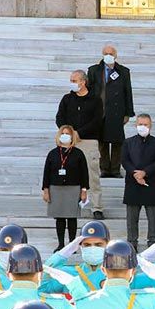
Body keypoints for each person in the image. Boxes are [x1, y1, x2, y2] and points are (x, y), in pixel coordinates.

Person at [55, 70, 104, 219]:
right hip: (68, 142)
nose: (72, 84)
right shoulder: (67, 99)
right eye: (71, 80)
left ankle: (97, 207)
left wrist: (79, 133)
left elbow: (97, 121)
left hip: (88, 141)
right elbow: (59, 117)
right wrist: (68, 132)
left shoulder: (95, 100)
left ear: (83, 82)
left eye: (74, 80)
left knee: (92, 175)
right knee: (67, 174)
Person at [86, 45, 134, 180]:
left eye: (111, 53)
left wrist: (128, 113)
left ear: (116, 55)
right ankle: (105, 168)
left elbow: (128, 92)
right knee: (102, 141)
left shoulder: (123, 71)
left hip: (117, 111)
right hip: (99, 111)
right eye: (106, 53)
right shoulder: (94, 70)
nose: (108, 55)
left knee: (118, 142)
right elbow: (89, 90)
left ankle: (116, 169)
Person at [43, 126, 90, 250]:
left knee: (71, 217)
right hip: (56, 188)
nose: (65, 136)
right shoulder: (53, 153)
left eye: (67, 134)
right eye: (62, 133)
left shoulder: (78, 154)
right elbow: (46, 172)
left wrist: (84, 190)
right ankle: (60, 244)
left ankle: (72, 244)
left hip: (73, 188)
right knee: (59, 217)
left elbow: (84, 173)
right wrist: (46, 190)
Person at [121, 114, 155, 249]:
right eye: (140, 124)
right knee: (132, 217)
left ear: (150, 126)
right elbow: (124, 160)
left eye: (145, 124)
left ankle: (152, 243)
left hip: (150, 182)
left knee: (152, 216)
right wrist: (135, 173)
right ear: (136, 125)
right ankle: (132, 242)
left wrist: (144, 172)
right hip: (132, 182)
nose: (143, 127)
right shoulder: (128, 142)